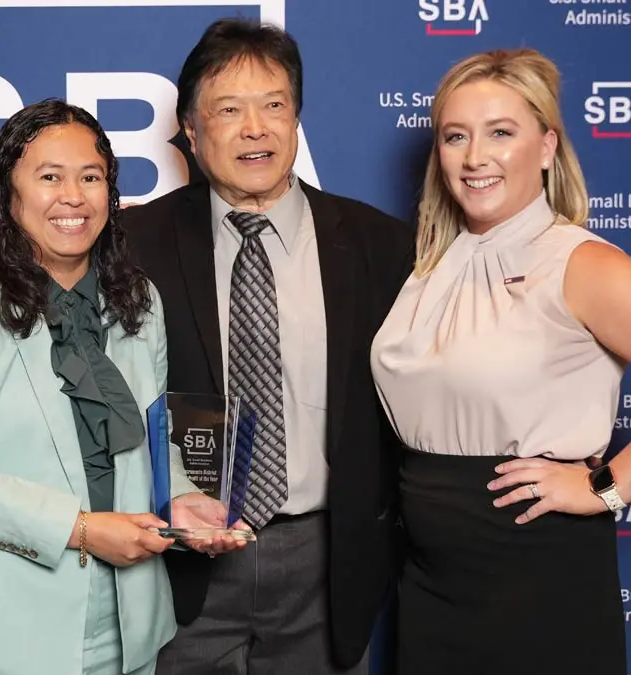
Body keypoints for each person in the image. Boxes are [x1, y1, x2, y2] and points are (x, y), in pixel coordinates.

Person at [371, 48, 631, 675]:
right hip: (429, 585)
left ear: (546, 147)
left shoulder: (580, 263)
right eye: (456, 136)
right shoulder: (428, 265)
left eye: (500, 133)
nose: (475, 157)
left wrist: (604, 488)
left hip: (538, 577)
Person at [0, 99, 240, 675]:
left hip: (126, 626)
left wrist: (180, 501)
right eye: (50, 177)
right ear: (7, 192)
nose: (73, 196)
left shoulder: (138, 301)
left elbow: (151, 439)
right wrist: (82, 530)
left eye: (90, 177)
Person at [124, 18, 414, 675]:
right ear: (191, 131)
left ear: (296, 119)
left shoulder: (380, 245)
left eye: (274, 105)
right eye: (229, 109)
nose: (255, 128)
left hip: (327, 565)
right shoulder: (133, 243)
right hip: (180, 565)